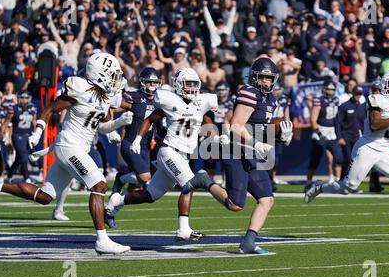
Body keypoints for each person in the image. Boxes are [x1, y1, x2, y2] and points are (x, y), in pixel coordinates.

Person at [0, 52, 134, 254]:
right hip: (69, 146)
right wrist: (38, 133)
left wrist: (118, 123)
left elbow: (100, 127)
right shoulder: (80, 88)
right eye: (112, 74)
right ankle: (102, 240)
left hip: (75, 148)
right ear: (99, 74)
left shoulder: (104, 97)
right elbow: (50, 109)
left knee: (44, 196)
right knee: (99, 184)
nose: (116, 80)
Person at [105, 68, 235, 241]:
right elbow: (150, 119)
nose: (191, 88)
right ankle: (183, 229)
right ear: (179, 85)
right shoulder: (169, 100)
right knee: (189, 184)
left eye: (194, 84)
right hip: (169, 151)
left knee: (151, 195)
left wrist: (217, 137)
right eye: (188, 84)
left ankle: (117, 201)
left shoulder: (201, 102)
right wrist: (137, 138)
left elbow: (207, 123)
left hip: (183, 156)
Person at [305, 70, 389, 236]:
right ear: (383, 85)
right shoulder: (375, 99)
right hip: (367, 148)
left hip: (384, 150)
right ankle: (319, 188)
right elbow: (375, 125)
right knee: (348, 187)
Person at [221, 57, 293, 254]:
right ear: (254, 77)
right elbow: (236, 126)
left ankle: (249, 242)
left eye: (269, 78)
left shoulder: (270, 99)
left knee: (266, 199)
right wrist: (255, 143)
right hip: (236, 152)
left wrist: (280, 138)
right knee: (236, 205)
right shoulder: (250, 93)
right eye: (262, 77)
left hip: (251, 153)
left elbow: (261, 130)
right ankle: (204, 182)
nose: (265, 82)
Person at [106, 67, 160, 229]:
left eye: (154, 82)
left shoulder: (159, 100)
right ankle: (121, 178)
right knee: (146, 180)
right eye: (149, 82)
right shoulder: (134, 98)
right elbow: (111, 108)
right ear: (142, 82)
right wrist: (111, 127)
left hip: (146, 147)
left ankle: (110, 212)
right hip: (130, 144)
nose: (152, 85)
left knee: (140, 186)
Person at [306, 80, 343, 187]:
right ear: (324, 90)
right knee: (315, 160)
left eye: (332, 90)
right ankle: (308, 182)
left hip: (332, 132)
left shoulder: (336, 100)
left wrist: (338, 133)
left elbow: (336, 119)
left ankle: (337, 181)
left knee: (338, 157)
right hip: (321, 132)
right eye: (329, 90)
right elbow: (313, 119)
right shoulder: (319, 100)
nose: (330, 92)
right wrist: (319, 133)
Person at [0, 91, 37, 182]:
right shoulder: (13, 108)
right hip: (17, 135)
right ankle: (27, 178)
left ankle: (9, 173)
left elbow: (34, 121)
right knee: (24, 157)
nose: (24, 100)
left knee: (19, 158)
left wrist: (36, 133)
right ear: (19, 98)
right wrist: (3, 132)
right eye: (23, 98)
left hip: (28, 135)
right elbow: (6, 122)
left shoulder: (32, 108)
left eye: (26, 98)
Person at [336, 86, 366, 179]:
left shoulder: (362, 107)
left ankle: (350, 182)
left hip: (356, 137)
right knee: (348, 159)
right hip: (346, 137)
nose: (358, 96)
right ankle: (342, 181)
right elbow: (337, 123)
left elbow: (363, 123)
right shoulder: (344, 106)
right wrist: (339, 137)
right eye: (356, 93)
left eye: (360, 94)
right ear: (352, 93)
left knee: (355, 161)